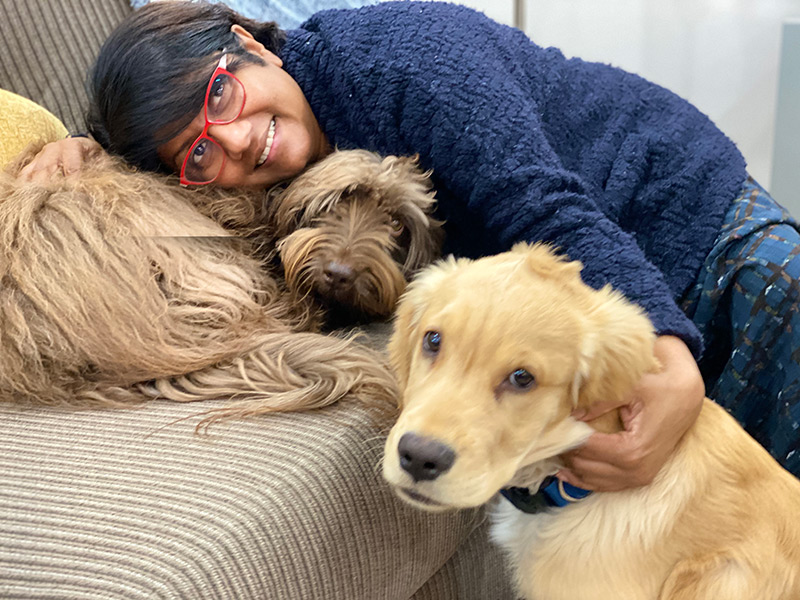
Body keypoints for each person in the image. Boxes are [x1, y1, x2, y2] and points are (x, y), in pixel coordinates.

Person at [21, 0, 800, 488]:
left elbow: (546, 205)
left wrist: (669, 359)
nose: (232, 138)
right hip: (560, 313)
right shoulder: (255, 169)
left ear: (248, 43)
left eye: (220, 93)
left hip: (687, 219)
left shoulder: (401, 57)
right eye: (197, 153)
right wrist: (78, 146)